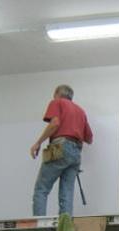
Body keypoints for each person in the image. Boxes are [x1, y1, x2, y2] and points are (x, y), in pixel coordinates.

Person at [29, 84, 93, 216]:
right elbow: (89, 138)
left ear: (57, 94)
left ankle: (39, 223)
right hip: (76, 153)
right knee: (67, 192)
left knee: (41, 189)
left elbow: (55, 123)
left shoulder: (56, 102)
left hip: (60, 146)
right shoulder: (81, 111)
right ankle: (65, 224)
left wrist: (38, 143)